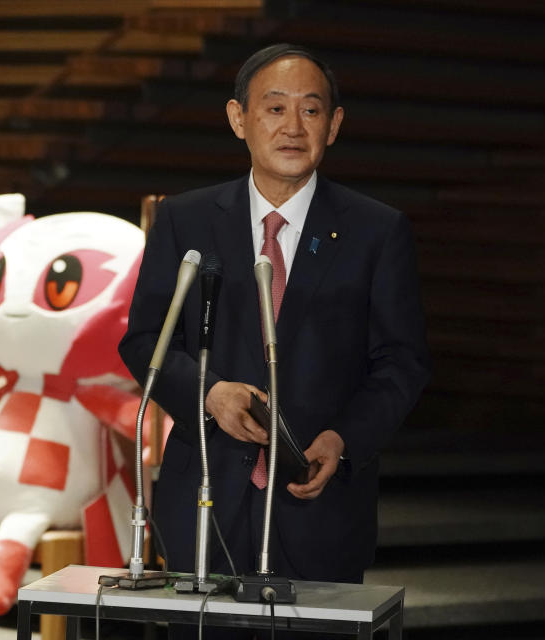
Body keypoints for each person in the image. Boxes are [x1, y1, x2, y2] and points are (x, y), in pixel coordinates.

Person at [118, 42, 431, 611]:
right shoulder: (184, 220)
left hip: (321, 505)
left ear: (333, 126)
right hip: (205, 505)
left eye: (311, 110)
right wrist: (208, 394)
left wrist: (344, 439)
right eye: (274, 108)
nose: (293, 126)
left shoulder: (376, 231)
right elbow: (144, 340)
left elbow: (401, 362)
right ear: (239, 118)